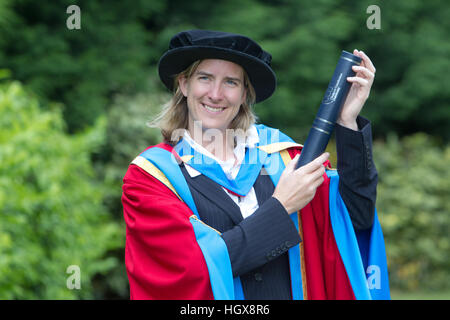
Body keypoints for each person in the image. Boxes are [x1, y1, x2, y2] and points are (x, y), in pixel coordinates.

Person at [121, 29, 390, 300]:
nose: (216, 94)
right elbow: (193, 269)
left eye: (231, 82)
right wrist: (282, 207)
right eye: (204, 78)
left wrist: (347, 122)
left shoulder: (282, 158)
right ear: (183, 84)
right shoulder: (152, 177)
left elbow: (355, 218)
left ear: (244, 93)